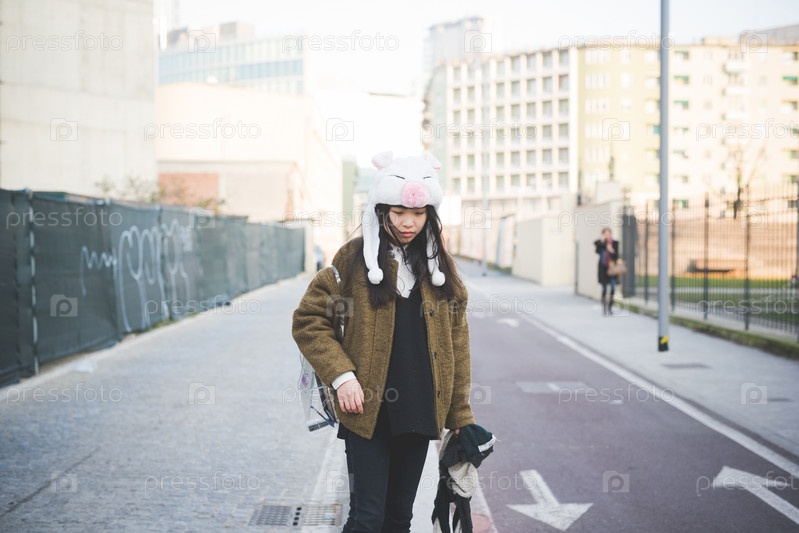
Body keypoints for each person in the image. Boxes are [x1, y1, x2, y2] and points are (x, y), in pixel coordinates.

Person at [292, 151, 475, 533]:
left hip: (419, 408)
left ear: (429, 214)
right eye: (399, 212)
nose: (409, 223)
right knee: (366, 519)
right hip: (366, 410)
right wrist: (342, 377)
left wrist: (460, 416)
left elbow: (458, 343)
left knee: (398, 520)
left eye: (419, 213)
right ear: (381, 211)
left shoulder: (440, 268)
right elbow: (309, 320)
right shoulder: (353, 260)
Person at [594, 227, 620, 316]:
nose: (607, 235)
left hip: (612, 268)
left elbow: (617, 255)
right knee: (604, 288)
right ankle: (604, 307)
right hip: (603, 268)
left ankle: (610, 307)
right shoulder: (600, 243)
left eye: (608, 234)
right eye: (605, 234)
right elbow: (597, 250)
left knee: (613, 288)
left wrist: (611, 249)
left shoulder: (615, 243)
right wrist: (602, 241)